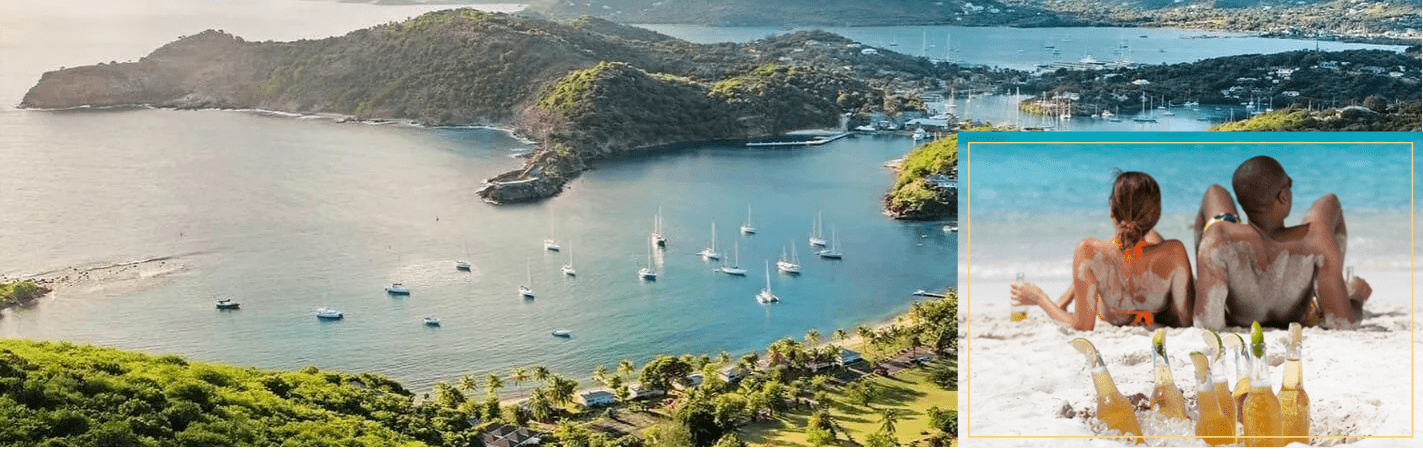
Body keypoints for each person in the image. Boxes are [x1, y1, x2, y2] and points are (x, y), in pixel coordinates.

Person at [1192, 155, 1370, 330]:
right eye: (1289, 185)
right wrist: (1356, 297)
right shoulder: (1317, 238)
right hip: (1299, 316)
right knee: (1330, 201)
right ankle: (1330, 287)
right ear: (1283, 196)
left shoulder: (1219, 237)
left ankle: (1207, 278)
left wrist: (1205, 281)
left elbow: (1207, 324)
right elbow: (1343, 322)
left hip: (1241, 317)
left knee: (1214, 192)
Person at [1011, 171, 1195, 330]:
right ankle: (1139, 234)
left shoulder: (1087, 249)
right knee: (1145, 239)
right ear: (1157, 215)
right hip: (1156, 311)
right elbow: (1184, 321)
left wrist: (1039, 298)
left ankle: (1064, 300)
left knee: (1115, 245)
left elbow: (1082, 326)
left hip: (1115, 312)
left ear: (1111, 210)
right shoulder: (1175, 251)